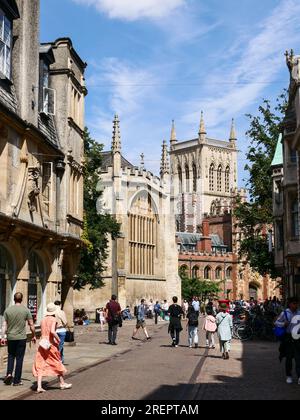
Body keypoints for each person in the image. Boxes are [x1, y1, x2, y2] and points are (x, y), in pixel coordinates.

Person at [32, 303, 72, 393]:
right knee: (56, 362)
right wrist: (57, 340)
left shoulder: (43, 320)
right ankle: (62, 383)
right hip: (50, 344)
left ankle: (39, 386)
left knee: (40, 363)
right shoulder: (53, 319)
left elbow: (43, 333)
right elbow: (53, 331)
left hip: (42, 344)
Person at [0, 292, 36, 386]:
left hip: (11, 337)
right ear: (22, 299)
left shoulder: (8, 310)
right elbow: (31, 324)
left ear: (14, 299)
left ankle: (8, 374)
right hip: (21, 338)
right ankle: (17, 381)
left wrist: (3, 336)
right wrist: (34, 335)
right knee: (19, 359)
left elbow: (4, 325)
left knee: (11, 356)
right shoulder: (26, 310)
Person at [275, 297, 300, 384]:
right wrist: (283, 324)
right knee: (289, 358)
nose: (295, 305)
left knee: (298, 358)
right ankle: (288, 375)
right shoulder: (285, 313)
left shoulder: (299, 313)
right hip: (288, 338)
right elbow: (276, 322)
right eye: (294, 303)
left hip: (298, 338)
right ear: (290, 304)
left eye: (297, 303)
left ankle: (299, 376)